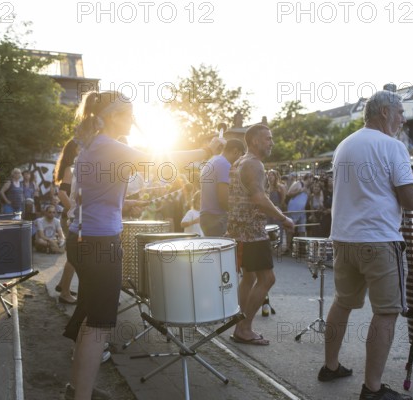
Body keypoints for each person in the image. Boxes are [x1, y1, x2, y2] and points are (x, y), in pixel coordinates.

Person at [62, 90, 224, 400]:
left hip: (82, 239)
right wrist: (204, 149)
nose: (134, 119)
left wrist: (128, 203)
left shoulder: (93, 146)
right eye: (129, 114)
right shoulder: (111, 146)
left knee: (90, 319)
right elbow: (161, 159)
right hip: (100, 245)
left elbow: (94, 198)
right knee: (98, 325)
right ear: (112, 117)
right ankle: (79, 396)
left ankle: (77, 390)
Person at [320, 90, 413, 400]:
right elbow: (410, 200)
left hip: (343, 238)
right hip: (379, 240)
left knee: (342, 302)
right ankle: (372, 389)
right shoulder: (393, 146)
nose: (403, 119)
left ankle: (330, 366)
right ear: (384, 112)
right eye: (401, 112)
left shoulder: (344, 145)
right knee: (387, 312)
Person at [227, 124, 294, 346]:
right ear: (255, 141)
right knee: (267, 279)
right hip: (252, 234)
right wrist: (283, 219)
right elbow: (259, 198)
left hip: (240, 231)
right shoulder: (254, 164)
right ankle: (244, 328)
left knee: (249, 278)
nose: (271, 142)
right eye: (268, 138)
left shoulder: (239, 161)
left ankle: (238, 324)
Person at [199, 138, 245, 236]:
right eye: (241, 156)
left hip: (207, 216)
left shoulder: (212, 160)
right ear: (236, 151)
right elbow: (223, 199)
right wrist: (238, 214)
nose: (241, 161)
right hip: (216, 218)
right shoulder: (224, 164)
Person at [54, 139, 79, 304]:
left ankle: (63, 285)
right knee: (74, 258)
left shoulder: (73, 167)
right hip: (70, 217)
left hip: (69, 216)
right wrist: (75, 211)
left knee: (72, 257)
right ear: (74, 150)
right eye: (81, 147)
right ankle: (64, 293)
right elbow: (62, 194)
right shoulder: (71, 169)